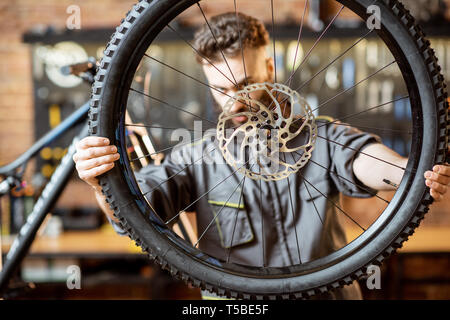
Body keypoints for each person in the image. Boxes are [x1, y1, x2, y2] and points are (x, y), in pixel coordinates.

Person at [73, 13, 450, 299]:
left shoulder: (319, 137)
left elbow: (361, 159)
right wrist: (101, 184)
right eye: (220, 88)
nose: (234, 100)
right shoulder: (196, 157)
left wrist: (409, 173)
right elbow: (138, 208)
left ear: (269, 68)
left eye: (245, 84)